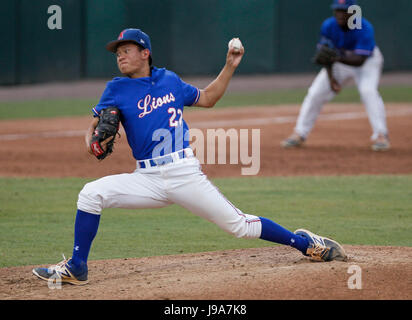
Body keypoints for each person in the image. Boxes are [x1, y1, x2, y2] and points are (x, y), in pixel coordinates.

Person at [32, 28, 346, 285]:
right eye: (117, 52)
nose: (120, 56)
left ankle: (306, 244)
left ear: (145, 53)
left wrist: (230, 66)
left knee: (239, 226)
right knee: (91, 194)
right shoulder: (115, 89)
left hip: (184, 173)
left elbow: (207, 98)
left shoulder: (169, 80)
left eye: (126, 50)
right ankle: (77, 267)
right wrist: (92, 144)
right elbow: (91, 130)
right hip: (147, 179)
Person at [281, 0, 390, 151]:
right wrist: (332, 79)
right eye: (337, 10)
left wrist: (335, 58)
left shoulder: (364, 27)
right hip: (339, 63)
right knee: (315, 93)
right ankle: (299, 133)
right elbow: (326, 56)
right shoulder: (329, 25)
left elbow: (359, 60)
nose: (340, 14)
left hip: (367, 64)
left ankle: (380, 135)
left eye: (344, 10)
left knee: (368, 91)